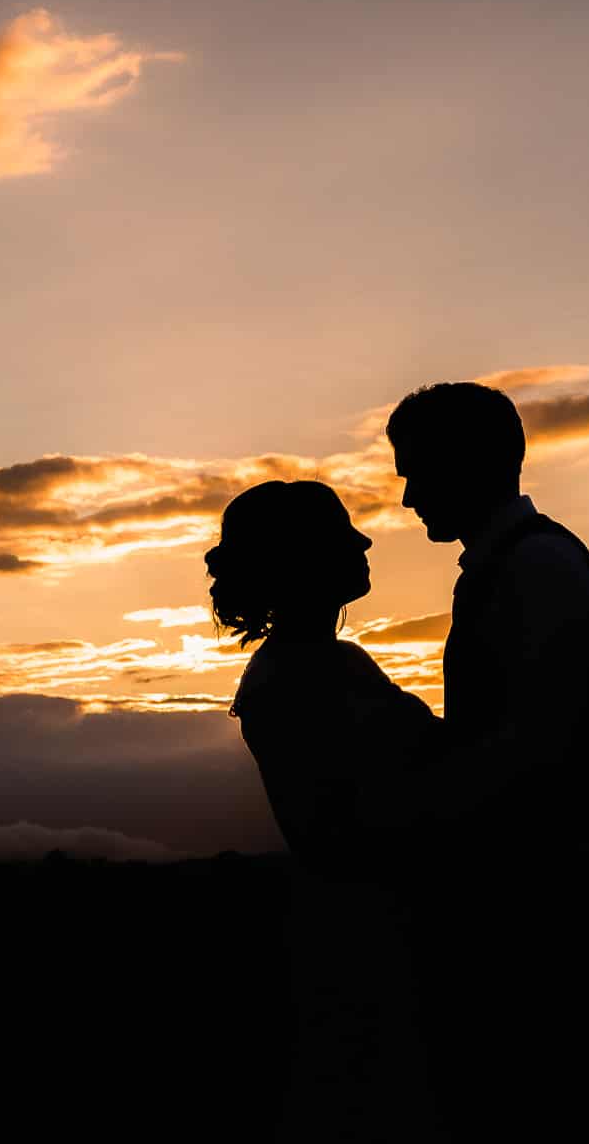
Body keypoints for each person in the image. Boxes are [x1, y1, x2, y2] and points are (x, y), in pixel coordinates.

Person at [207, 479, 449, 1141]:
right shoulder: (300, 676)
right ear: (302, 557)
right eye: (344, 531)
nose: (365, 539)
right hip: (366, 952)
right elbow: (344, 828)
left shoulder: (322, 664)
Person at [371, 380, 589, 853]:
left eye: (416, 474)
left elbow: (540, 741)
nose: (407, 499)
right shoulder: (512, 563)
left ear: (464, 464)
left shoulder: (537, 566)